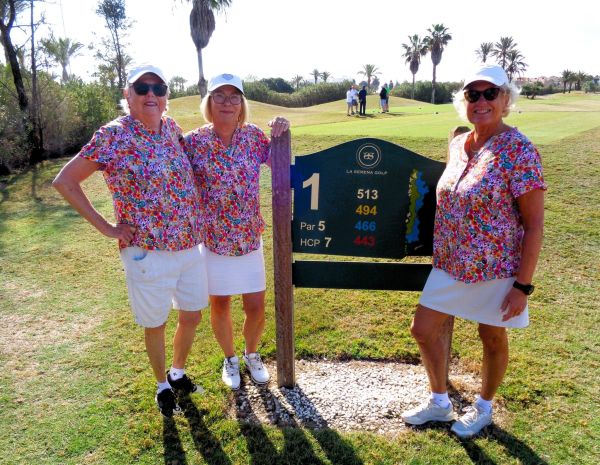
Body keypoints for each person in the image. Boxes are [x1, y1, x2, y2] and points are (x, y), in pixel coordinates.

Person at [52, 64, 208, 418]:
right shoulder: (113, 135)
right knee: (155, 322)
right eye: (142, 88)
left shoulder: (171, 128)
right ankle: (162, 385)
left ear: (166, 95)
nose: (151, 95)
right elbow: (65, 181)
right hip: (147, 252)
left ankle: (177, 372)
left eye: (158, 88)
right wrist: (108, 228)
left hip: (189, 245)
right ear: (128, 95)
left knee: (192, 314)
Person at [401, 64, 546, 438]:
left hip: (496, 267)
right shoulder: (458, 143)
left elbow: (534, 225)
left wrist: (522, 286)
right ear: (464, 101)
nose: (481, 101)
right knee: (423, 329)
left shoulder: (520, 150)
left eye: (490, 93)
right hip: (449, 263)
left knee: (492, 337)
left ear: (505, 99)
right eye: (473, 95)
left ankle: (483, 407)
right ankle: (440, 401)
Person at [183, 73, 290, 390]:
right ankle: (229, 358)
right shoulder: (194, 142)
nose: (227, 103)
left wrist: (283, 131)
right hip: (214, 242)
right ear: (209, 102)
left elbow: (283, 166)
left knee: (255, 307)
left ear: (241, 103)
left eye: (234, 97)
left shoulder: (253, 136)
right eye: (219, 96)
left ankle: (251, 354)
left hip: (249, 238)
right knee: (220, 305)